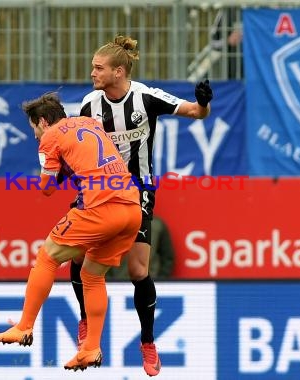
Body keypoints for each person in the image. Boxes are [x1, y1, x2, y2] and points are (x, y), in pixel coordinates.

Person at [70, 34, 213, 376]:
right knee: (76, 255)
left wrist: (204, 103)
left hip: (138, 191)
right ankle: (86, 322)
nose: (92, 73)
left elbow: (195, 112)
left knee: (138, 271)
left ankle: (148, 342)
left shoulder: (145, 97)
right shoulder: (90, 104)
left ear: (118, 72)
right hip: (97, 189)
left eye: (98, 68)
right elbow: (79, 145)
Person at [0, 92, 142, 372]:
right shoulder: (90, 123)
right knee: (92, 275)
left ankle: (24, 327)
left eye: (34, 130)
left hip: (99, 207)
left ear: (42, 122)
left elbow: (47, 188)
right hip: (131, 209)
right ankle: (91, 348)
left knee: (47, 257)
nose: (36, 137)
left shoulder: (51, 136)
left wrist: (54, 167)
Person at [107, 215, 175, 280]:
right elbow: (104, 254)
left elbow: (167, 258)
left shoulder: (157, 224)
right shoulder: (113, 224)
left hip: (148, 282)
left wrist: (160, 280)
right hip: (118, 284)